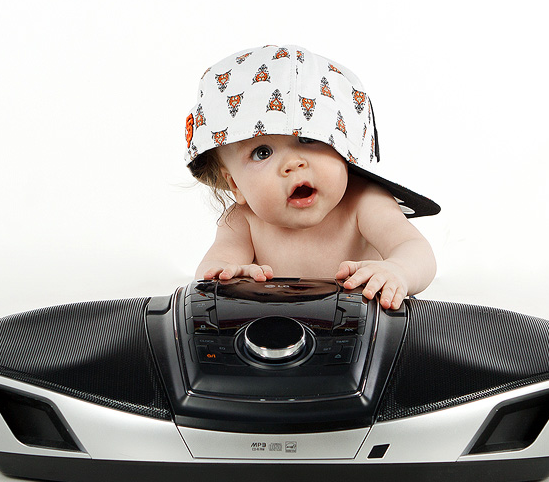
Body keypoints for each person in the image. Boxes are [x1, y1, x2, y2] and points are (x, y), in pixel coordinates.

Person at [184, 45, 441, 310]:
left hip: (364, 323)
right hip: (276, 325)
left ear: (343, 149)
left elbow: (415, 249)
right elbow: (212, 268)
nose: (293, 163)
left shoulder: (364, 201)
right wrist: (224, 277)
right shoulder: (242, 220)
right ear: (235, 185)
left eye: (308, 138)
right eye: (262, 153)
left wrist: (398, 270)